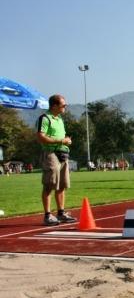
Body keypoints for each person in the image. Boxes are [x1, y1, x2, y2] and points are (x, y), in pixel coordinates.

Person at [36, 95, 78, 226]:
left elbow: (60, 136)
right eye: (63, 105)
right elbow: (41, 137)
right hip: (50, 153)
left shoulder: (59, 119)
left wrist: (66, 140)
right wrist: (61, 140)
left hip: (63, 153)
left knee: (62, 185)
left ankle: (61, 213)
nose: (65, 107)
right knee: (49, 184)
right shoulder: (45, 118)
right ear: (54, 106)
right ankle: (47, 215)